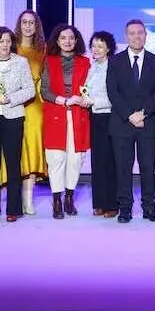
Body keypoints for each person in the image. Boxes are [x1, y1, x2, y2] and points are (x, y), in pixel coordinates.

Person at [106, 19, 155, 223]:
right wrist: (130, 115)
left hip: (148, 124)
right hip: (122, 124)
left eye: (140, 33)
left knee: (148, 167)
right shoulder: (114, 61)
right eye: (132, 33)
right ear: (126, 36)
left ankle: (149, 207)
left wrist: (143, 113)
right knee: (123, 168)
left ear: (146, 36)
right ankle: (125, 208)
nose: (137, 37)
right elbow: (112, 92)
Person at [0, 26, 36, 221]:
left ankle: (14, 209)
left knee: (13, 165)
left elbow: (30, 90)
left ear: (12, 43)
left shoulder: (21, 62)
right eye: (0, 41)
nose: (4, 45)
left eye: (7, 41)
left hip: (13, 118)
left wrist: (10, 98)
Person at [41, 24, 91, 219]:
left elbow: (91, 87)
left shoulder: (86, 62)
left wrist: (88, 99)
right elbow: (44, 90)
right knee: (56, 159)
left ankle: (69, 198)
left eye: (71, 38)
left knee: (75, 160)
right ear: (57, 41)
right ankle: (56, 200)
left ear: (76, 40)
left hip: (79, 115)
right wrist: (64, 100)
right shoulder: (49, 61)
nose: (67, 41)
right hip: (56, 115)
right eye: (63, 38)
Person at [3, 9, 48, 214]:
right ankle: (14, 196)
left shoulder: (44, 49)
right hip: (12, 103)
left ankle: (28, 200)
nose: (28, 26)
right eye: (24, 22)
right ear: (19, 24)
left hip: (36, 106)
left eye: (32, 22)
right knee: (15, 150)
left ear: (36, 25)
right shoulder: (10, 48)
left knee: (32, 149)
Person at [85, 31, 118, 217]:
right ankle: (99, 203)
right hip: (94, 118)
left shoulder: (112, 67)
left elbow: (114, 95)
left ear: (108, 49)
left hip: (109, 117)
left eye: (100, 45)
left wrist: (93, 101)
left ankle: (111, 204)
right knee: (97, 161)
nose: (95, 49)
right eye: (94, 45)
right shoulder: (93, 67)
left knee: (109, 162)